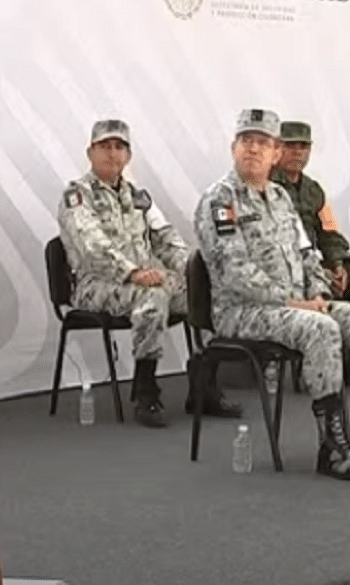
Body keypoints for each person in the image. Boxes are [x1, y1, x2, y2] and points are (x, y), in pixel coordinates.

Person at [195, 109, 350, 481]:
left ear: (275, 153)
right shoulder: (219, 201)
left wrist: (318, 291)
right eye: (246, 141)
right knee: (320, 329)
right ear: (233, 148)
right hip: (243, 311)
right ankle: (333, 447)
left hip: (296, 306)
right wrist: (294, 303)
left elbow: (307, 253)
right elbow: (233, 271)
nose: (254, 149)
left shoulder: (281, 198)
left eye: (263, 142)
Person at [57, 119, 241, 428]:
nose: (112, 154)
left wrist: (195, 273)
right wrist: (132, 273)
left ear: (128, 156)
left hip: (143, 279)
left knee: (208, 295)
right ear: (90, 153)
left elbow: (166, 238)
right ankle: (145, 390)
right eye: (104, 147)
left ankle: (204, 386)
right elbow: (91, 245)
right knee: (153, 296)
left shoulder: (139, 197)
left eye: (119, 147)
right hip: (96, 284)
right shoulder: (77, 195)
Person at [270, 121, 350, 305]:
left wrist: (337, 265)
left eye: (303, 146)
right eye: (290, 145)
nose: (298, 152)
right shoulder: (264, 188)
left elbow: (330, 231)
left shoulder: (314, 190)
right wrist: (319, 273)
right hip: (285, 269)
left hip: (316, 265)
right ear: (275, 149)